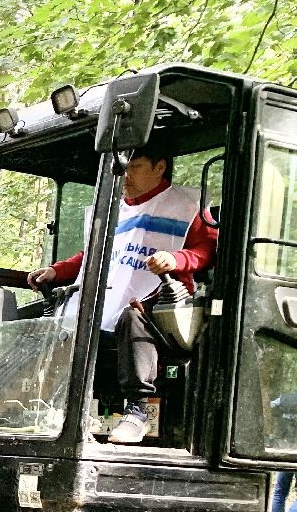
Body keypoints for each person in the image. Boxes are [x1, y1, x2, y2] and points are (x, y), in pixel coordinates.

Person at [27, 149, 216, 444]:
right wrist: (56, 271)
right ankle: (66, 407)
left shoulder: (186, 207)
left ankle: (137, 412)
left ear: (159, 166)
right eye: (124, 168)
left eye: (136, 166)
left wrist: (177, 259)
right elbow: (95, 256)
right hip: (114, 297)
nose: (126, 175)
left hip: (164, 301)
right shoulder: (116, 210)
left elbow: (206, 250)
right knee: (73, 319)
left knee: (132, 317)